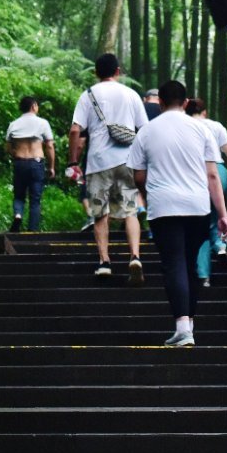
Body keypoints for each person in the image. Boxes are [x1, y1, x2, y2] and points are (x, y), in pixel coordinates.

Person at [127, 80, 227, 347]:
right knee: (191, 263)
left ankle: (183, 328)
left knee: (173, 263)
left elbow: (138, 175)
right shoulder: (201, 129)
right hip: (197, 206)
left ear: (160, 102)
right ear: (185, 103)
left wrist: (149, 194)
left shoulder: (147, 131)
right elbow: (212, 175)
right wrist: (222, 214)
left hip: (163, 207)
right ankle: (189, 326)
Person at [69, 54, 150, 282]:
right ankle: (135, 256)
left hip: (98, 163)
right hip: (127, 160)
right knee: (130, 210)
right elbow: (144, 130)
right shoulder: (131, 94)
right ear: (118, 71)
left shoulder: (88, 95)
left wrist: (72, 162)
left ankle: (104, 261)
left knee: (100, 213)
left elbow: (76, 130)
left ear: (96, 72)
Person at [186, 97, 227, 286]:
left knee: (201, 226)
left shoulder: (185, 126)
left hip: (196, 175)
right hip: (219, 173)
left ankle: (203, 276)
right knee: (217, 217)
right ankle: (221, 245)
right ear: (205, 111)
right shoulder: (216, 126)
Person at [5, 96, 55, 232]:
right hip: (36, 163)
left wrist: (15, 154)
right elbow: (49, 146)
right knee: (35, 199)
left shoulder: (13, 124)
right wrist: (51, 167)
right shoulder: (42, 123)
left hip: (20, 163)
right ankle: (32, 231)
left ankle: (18, 214)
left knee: (19, 195)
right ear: (34, 106)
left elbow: (8, 147)